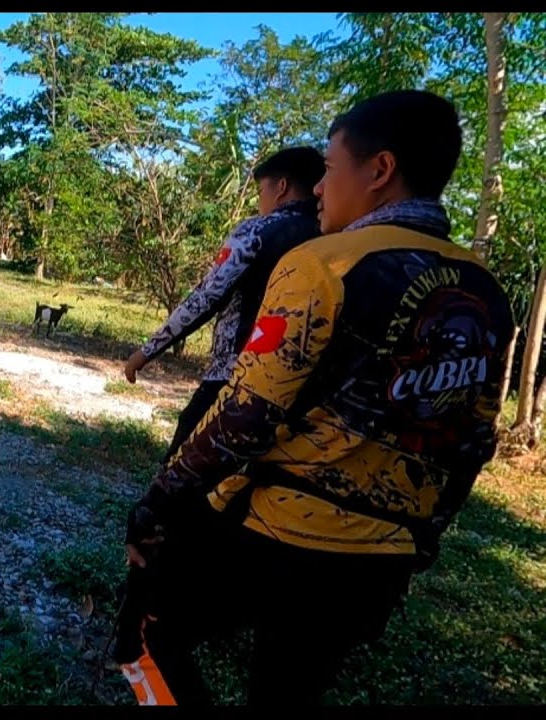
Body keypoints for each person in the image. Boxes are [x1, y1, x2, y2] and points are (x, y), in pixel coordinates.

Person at [114, 89, 515, 706]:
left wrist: (156, 505)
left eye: (329, 170)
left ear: (379, 170)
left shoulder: (325, 264)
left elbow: (244, 417)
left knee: (145, 636)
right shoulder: (486, 291)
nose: (320, 190)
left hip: (277, 540)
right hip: (381, 561)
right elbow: (472, 441)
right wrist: (422, 540)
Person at [124, 147, 325, 465]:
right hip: (300, 389)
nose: (260, 201)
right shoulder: (330, 237)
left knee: (183, 468)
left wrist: (146, 352)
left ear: (281, 187)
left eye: (262, 190)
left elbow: (206, 296)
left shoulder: (257, 231)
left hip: (235, 376)